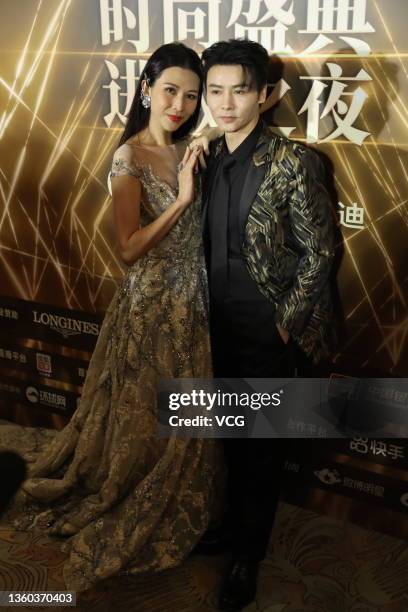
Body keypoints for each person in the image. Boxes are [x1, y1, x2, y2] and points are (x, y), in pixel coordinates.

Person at [0, 42, 223, 592]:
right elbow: (127, 249)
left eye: (191, 95)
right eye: (170, 90)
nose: (180, 103)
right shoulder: (130, 156)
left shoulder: (194, 146)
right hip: (150, 304)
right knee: (142, 413)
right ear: (146, 89)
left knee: (186, 415)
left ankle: (181, 498)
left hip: (193, 303)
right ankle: (126, 492)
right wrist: (182, 198)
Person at [199, 39, 335, 611]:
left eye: (239, 91)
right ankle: (231, 529)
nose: (226, 104)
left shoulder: (292, 161)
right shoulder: (203, 158)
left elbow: (321, 252)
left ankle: (247, 557)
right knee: (226, 437)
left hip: (268, 329)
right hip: (213, 324)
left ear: (265, 95)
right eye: (215, 91)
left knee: (260, 445)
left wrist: (285, 323)